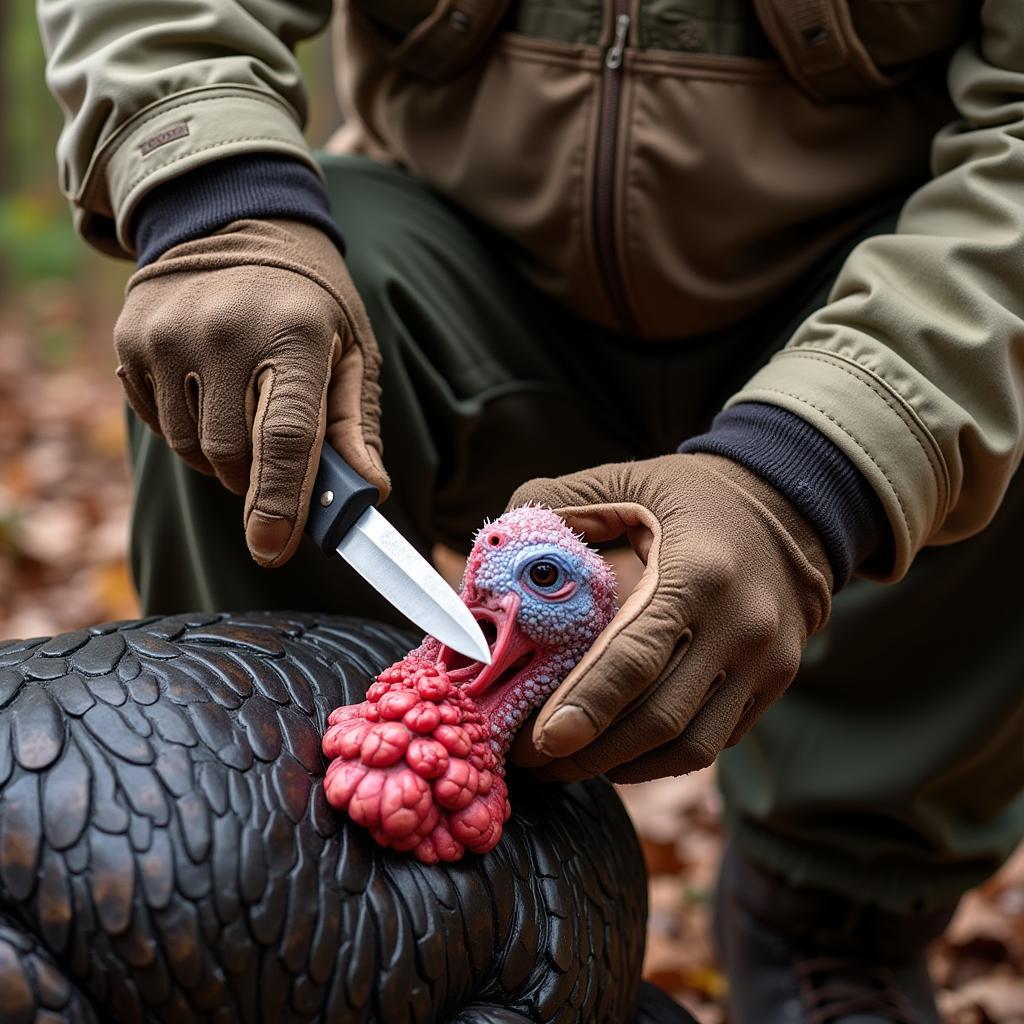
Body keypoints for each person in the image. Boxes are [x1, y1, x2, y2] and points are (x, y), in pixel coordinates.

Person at [38, 2, 1024, 1021]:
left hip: (859, 292)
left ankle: (828, 912)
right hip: (454, 276)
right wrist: (215, 197)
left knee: (1000, 373)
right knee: (249, 354)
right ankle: (291, 875)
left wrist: (810, 471)